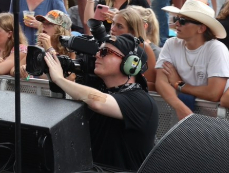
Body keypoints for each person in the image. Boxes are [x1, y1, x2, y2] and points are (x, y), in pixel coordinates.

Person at [43, 34, 159, 170]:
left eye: (105, 52)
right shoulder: (102, 91)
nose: (97, 55)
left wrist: (60, 79)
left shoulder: (142, 101)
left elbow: (97, 102)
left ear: (130, 63)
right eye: (98, 51)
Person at [155, 0, 229, 119]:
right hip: (179, 115)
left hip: (214, 121)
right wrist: (181, 108)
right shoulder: (171, 43)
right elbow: (161, 82)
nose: (177, 24)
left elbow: (214, 93)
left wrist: (180, 85)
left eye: (183, 21)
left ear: (201, 28)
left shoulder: (217, 49)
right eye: (176, 19)